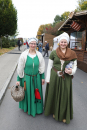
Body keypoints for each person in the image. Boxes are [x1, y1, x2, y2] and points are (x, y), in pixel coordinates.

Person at [44, 32, 77, 124]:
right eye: (61, 42)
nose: (63, 44)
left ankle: (63, 114)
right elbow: (49, 66)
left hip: (66, 77)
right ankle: (54, 111)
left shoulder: (72, 53)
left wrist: (71, 71)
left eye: (65, 42)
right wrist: (48, 79)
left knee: (65, 95)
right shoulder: (54, 52)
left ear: (68, 43)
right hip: (55, 76)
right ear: (59, 42)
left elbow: (75, 66)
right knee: (54, 94)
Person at [16, 38, 45, 117]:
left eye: (34, 43)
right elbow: (20, 68)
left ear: (36, 45)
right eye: (31, 43)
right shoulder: (24, 55)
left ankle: (37, 109)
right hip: (26, 79)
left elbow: (41, 67)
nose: (33, 45)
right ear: (28, 44)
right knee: (28, 93)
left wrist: (42, 77)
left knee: (37, 92)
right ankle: (28, 108)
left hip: (37, 78)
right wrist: (18, 79)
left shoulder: (39, 54)